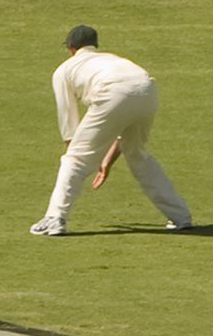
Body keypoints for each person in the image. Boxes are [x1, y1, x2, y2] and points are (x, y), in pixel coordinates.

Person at [36, 24, 192, 236]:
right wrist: (106, 160)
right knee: (138, 155)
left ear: (71, 48)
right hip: (147, 89)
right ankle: (181, 217)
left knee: (74, 159)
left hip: (113, 91)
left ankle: (55, 218)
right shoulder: (112, 60)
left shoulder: (64, 70)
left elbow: (69, 125)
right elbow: (125, 110)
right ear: (95, 46)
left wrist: (79, 154)